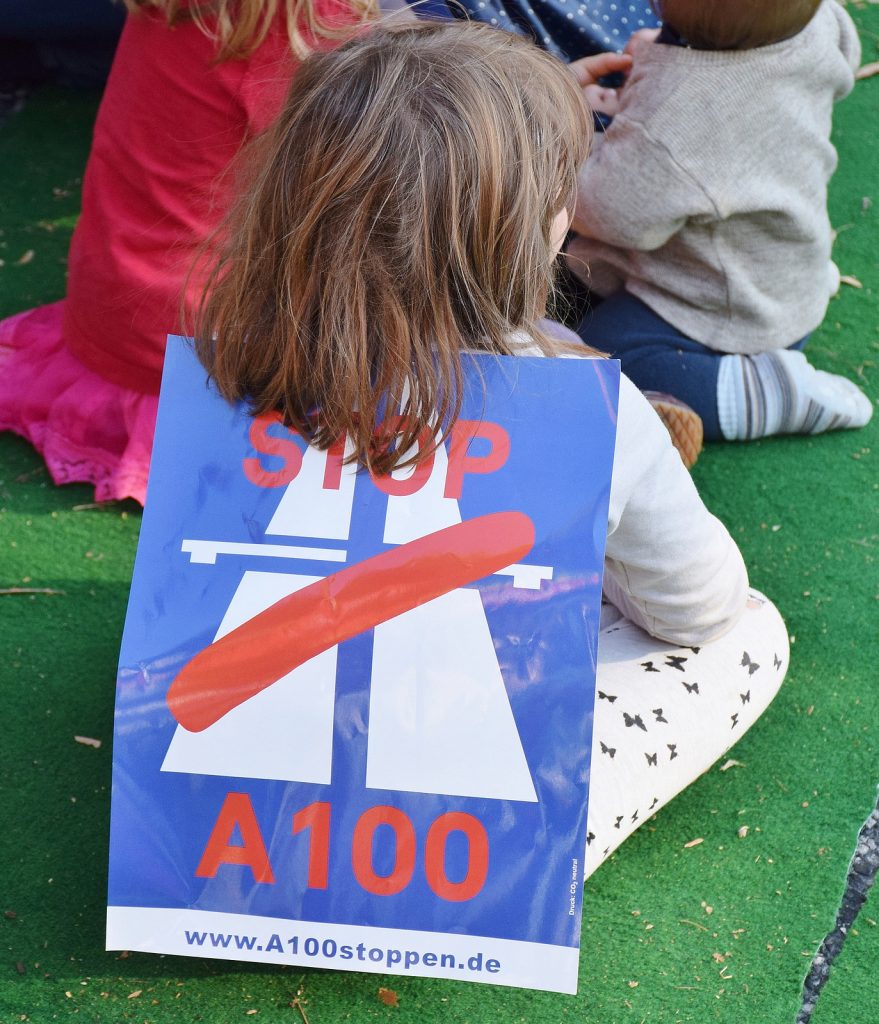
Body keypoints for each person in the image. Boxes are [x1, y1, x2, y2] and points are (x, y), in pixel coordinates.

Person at [191, 20, 790, 876]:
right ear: (520, 234)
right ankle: (535, 844)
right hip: (454, 831)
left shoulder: (234, 357)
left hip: (246, 817)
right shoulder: (591, 409)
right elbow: (696, 607)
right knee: (748, 633)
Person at [0, 0, 376, 504]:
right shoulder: (302, 25)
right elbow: (343, 198)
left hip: (112, 306)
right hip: (192, 346)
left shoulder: (180, 7)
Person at [568, 0, 873, 455]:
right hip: (784, 262)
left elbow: (609, 214)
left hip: (721, 308)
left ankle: (763, 391)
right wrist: (662, 59)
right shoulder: (818, 22)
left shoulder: (682, 108)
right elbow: (841, 54)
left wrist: (562, 134)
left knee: (596, 354)